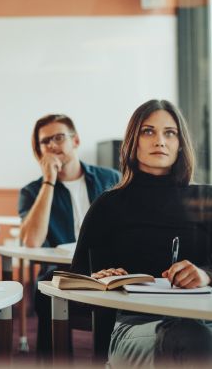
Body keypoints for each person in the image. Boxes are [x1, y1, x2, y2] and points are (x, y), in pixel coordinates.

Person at [71, 99, 212, 366]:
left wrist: (206, 274)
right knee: (188, 337)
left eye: (169, 132)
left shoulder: (206, 199)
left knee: (195, 334)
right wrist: (101, 278)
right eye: (148, 131)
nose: (160, 140)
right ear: (133, 142)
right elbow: (78, 280)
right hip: (134, 328)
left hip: (203, 320)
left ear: (180, 143)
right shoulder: (108, 205)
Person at [18, 113, 119, 356]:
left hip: (109, 269)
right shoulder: (32, 191)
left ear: (75, 141)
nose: (52, 145)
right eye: (45, 141)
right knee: (45, 288)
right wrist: (49, 182)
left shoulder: (111, 178)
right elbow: (31, 241)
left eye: (59, 137)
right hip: (62, 272)